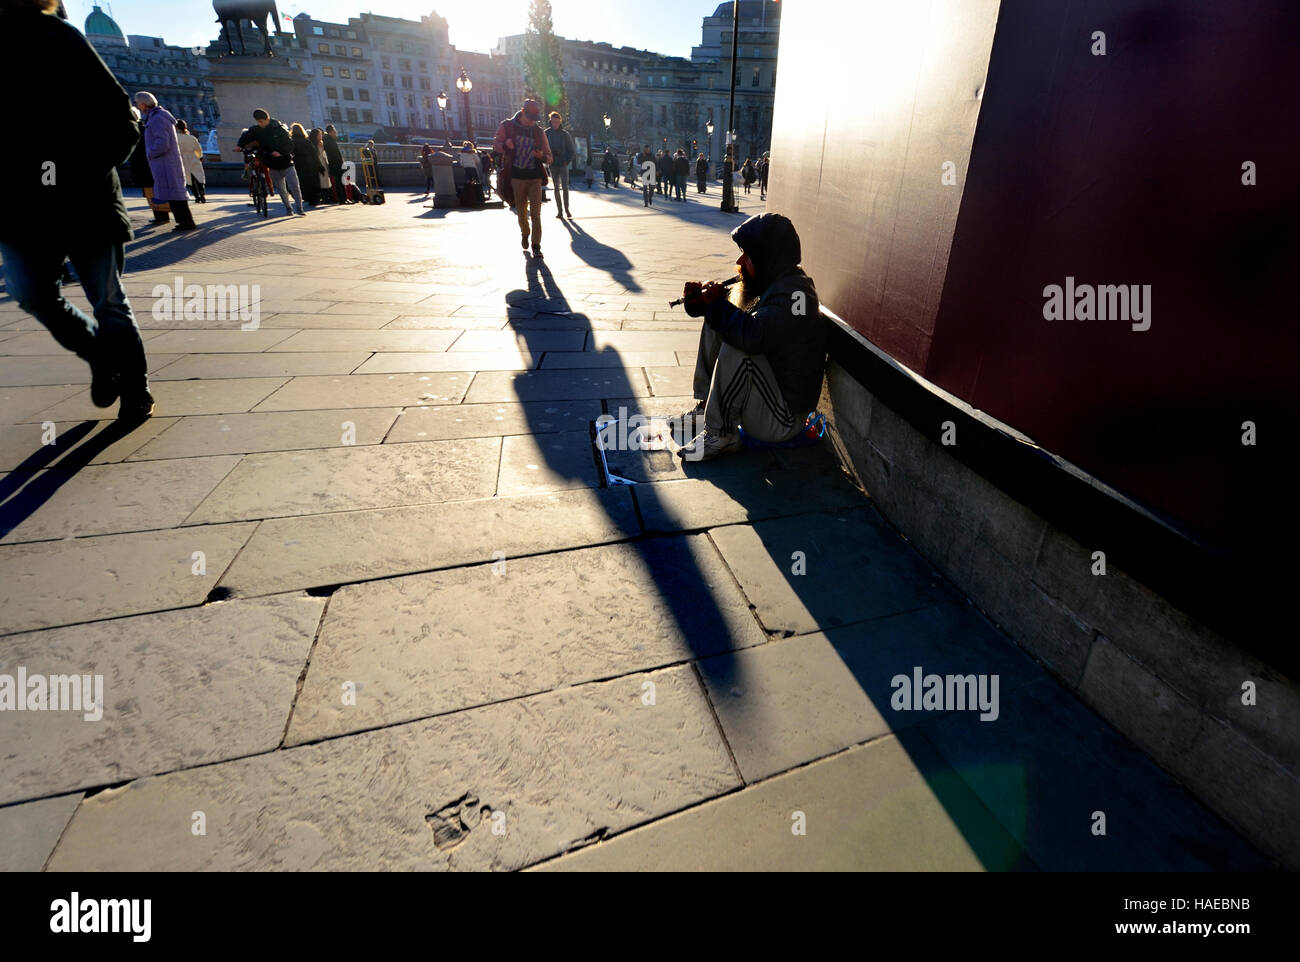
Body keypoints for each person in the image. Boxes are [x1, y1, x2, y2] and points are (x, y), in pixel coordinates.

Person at [1, 0, 154, 420]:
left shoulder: (55, 33)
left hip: (82, 197)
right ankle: (101, 354)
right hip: (20, 205)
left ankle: (136, 388)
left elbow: (121, 115)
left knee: (108, 300)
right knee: (33, 294)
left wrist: (83, 169)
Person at [674, 213, 825, 461]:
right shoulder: (772, 281)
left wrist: (718, 307)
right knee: (720, 315)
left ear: (768, 257)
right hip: (768, 400)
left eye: (748, 255)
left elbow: (755, 337)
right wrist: (700, 302)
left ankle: (720, 434)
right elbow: (732, 315)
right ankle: (705, 408)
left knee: (737, 340)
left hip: (783, 419)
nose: (740, 260)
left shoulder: (798, 295)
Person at [493, 98, 553, 257]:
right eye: (530, 119)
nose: (532, 122)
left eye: (535, 120)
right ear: (522, 112)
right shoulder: (507, 126)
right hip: (517, 177)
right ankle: (525, 232)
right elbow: (496, 145)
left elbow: (549, 156)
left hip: (535, 177)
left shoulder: (538, 132)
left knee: (536, 213)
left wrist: (542, 157)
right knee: (521, 213)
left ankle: (536, 245)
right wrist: (506, 145)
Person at [135, 91, 197, 231]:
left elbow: (163, 143)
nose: (138, 106)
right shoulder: (157, 116)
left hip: (165, 162)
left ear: (143, 104)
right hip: (166, 162)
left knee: (175, 194)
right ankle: (184, 222)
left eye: (138, 103)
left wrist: (150, 153)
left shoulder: (157, 118)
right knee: (173, 193)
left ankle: (186, 222)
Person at [239, 108, 304, 216]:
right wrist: (240, 145)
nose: (259, 124)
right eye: (258, 122)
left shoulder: (280, 129)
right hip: (273, 165)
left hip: (287, 163)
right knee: (282, 190)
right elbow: (246, 136)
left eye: (261, 121)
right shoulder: (258, 130)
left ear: (266, 119)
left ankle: (299, 208)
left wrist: (281, 152)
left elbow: (290, 145)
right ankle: (288, 208)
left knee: (294, 186)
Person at [126, 105, 166, 225]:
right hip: (150, 164)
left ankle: (160, 215)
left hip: (143, 165)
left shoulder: (133, 130)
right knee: (155, 189)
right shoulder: (144, 127)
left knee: (150, 190)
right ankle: (161, 214)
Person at [544, 111, 575, 219]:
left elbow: (571, 150)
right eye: (553, 122)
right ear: (550, 122)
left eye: (557, 122)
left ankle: (567, 209)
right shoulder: (546, 133)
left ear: (560, 121)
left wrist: (566, 161)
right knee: (556, 188)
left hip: (563, 164)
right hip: (552, 164)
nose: (555, 124)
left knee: (565, 187)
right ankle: (560, 211)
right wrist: (546, 158)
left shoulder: (565, 134)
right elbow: (542, 148)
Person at [175, 118, 205, 203]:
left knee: (190, 179)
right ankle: (202, 192)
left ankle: (197, 196)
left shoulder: (175, 138)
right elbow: (198, 149)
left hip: (182, 159)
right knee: (199, 177)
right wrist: (200, 157)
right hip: (193, 158)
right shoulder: (191, 138)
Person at [290, 122, 320, 206]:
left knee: (300, 182)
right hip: (310, 164)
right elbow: (314, 153)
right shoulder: (307, 141)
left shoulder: (292, 141)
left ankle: (304, 197)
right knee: (311, 181)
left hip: (298, 164)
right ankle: (313, 199)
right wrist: (319, 165)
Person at [324, 124, 349, 204]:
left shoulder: (329, 140)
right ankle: (342, 199)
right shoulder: (330, 141)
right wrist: (342, 163)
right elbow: (335, 154)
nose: (336, 132)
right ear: (331, 132)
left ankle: (344, 199)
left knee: (339, 182)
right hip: (336, 164)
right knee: (339, 182)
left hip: (335, 164)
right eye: (334, 130)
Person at [311, 128, 331, 202]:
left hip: (324, 162)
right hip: (318, 164)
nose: (321, 136)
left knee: (325, 180)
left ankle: (326, 197)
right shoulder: (313, 144)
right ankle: (324, 197)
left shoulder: (321, 143)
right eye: (319, 134)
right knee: (321, 181)